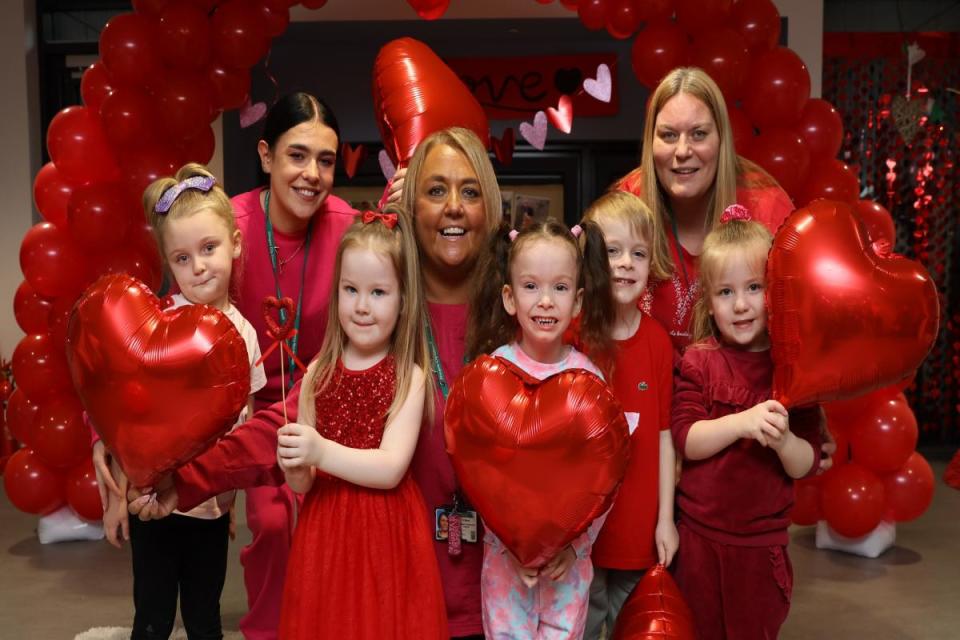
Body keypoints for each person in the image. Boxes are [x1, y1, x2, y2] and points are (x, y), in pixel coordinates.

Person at [129, 127, 502, 638]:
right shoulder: (377, 328)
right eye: (436, 190)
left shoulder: (517, 312)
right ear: (411, 205)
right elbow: (280, 432)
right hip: (381, 580)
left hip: (502, 585)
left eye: (471, 190)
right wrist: (187, 479)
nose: (454, 207)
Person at [96, 93, 358, 640]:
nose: (312, 174)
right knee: (272, 522)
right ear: (265, 155)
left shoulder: (349, 228)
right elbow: (142, 340)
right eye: (297, 155)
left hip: (322, 407)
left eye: (326, 160)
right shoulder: (215, 227)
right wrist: (106, 433)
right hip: (243, 423)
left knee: (343, 524)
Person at [100, 163, 267, 639]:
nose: (198, 268)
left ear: (234, 243)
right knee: (151, 615)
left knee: (203, 614)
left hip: (210, 508)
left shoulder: (246, 335)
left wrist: (231, 499)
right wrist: (116, 500)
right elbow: (128, 417)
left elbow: (245, 424)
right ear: (167, 263)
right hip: (153, 502)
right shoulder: (156, 324)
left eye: (209, 249)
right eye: (181, 258)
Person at [273, 208, 447, 638]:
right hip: (325, 535)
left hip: (385, 534)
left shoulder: (410, 376)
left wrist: (319, 451)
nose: (362, 306)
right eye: (350, 290)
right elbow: (304, 483)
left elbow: (390, 469)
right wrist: (296, 464)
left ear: (404, 299)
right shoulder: (317, 371)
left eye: (378, 293)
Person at [671, 206, 821, 639]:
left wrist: (784, 439)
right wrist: (741, 423)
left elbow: (806, 463)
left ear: (775, 292)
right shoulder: (699, 361)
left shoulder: (793, 370)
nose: (740, 305)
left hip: (760, 551)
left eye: (754, 288)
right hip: (698, 543)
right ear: (709, 302)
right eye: (725, 292)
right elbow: (686, 438)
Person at [464, 218, 615, 639]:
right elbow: (478, 470)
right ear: (509, 298)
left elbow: (605, 479)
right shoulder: (492, 373)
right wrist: (509, 543)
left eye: (560, 288)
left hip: (568, 567)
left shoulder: (590, 381)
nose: (545, 301)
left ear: (579, 301)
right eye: (531, 287)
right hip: (504, 563)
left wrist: (576, 547)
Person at [616, 67, 794, 354]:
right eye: (669, 135)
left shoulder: (768, 207)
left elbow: (800, 328)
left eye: (698, 134)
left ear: (721, 139)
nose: (683, 150)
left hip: (743, 395)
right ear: (651, 142)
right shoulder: (624, 207)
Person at [578, 191, 678, 639]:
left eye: (638, 253)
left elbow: (662, 438)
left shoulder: (658, 342)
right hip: (582, 537)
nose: (625, 263)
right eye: (612, 252)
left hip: (639, 535)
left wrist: (666, 520)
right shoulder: (573, 335)